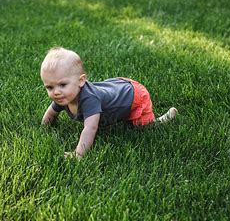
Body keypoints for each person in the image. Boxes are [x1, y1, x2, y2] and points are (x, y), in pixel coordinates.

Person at [40, 47, 177, 158]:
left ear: (81, 81)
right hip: (116, 87)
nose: (56, 92)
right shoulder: (64, 96)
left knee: (142, 127)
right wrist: (44, 127)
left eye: (62, 84)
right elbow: (52, 112)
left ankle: (162, 119)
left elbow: (91, 128)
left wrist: (79, 154)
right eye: (50, 87)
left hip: (134, 95)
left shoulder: (89, 99)